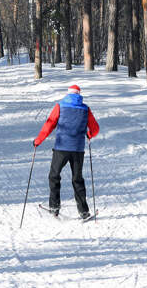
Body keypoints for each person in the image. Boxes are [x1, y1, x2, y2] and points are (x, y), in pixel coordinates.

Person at [33, 84, 99, 219]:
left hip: (61, 148)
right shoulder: (85, 109)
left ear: (68, 94)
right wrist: (89, 135)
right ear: (79, 95)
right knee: (77, 179)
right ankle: (83, 211)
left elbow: (49, 124)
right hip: (78, 150)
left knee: (54, 176)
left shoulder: (60, 106)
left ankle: (54, 206)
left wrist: (38, 141)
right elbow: (95, 128)